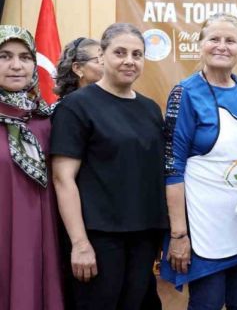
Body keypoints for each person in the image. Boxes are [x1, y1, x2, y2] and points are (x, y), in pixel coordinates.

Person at [161, 13, 237, 309]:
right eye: (214, 38)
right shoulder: (185, 93)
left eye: (230, 40)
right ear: (200, 44)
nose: (222, 46)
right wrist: (179, 234)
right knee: (207, 303)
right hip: (206, 230)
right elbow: (172, 167)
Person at [51, 23, 168, 309]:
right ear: (102, 56)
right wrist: (80, 243)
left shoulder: (151, 109)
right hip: (98, 238)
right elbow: (63, 179)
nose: (129, 60)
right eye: (120, 52)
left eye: (137, 54)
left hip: (143, 236)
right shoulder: (75, 107)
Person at [0, 26, 63, 310]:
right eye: (4, 56)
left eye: (25, 57)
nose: (16, 65)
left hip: (41, 236)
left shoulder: (46, 120)